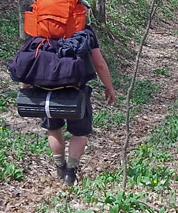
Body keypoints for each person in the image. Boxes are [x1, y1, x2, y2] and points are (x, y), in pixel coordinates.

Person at [24, 26, 116, 186]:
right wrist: (109, 87)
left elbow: (30, 58)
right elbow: (99, 64)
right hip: (76, 90)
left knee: (53, 128)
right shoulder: (85, 31)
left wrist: (25, 88)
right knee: (79, 133)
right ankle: (70, 173)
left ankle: (60, 167)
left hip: (46, 88)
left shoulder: (41, 27)